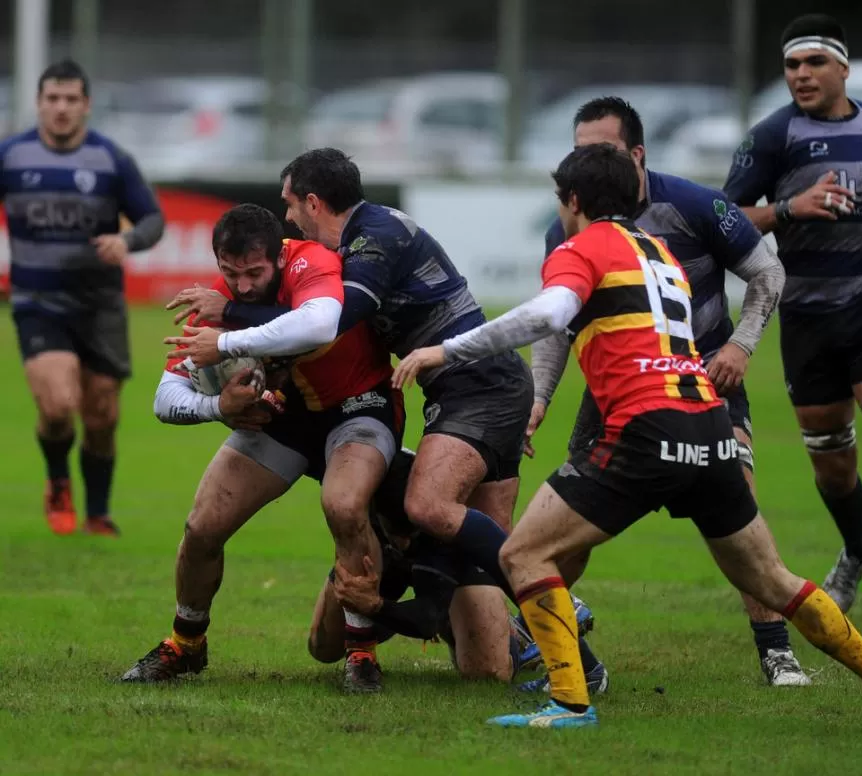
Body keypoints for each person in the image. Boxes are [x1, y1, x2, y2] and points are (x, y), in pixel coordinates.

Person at [393, 143, 862, 734]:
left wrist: (445, 349)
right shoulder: (661, 252)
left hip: (642, 431)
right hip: (709, 422)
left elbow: (549, 316)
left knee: (522, 553)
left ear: (572, 201)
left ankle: (571, 703)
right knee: (776, 580)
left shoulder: (581, 246)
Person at [525, 96, 808, 686]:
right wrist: (540, 397)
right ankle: (546, 640)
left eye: (600, 151)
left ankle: (776, 648)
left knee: (739, 500)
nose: (587, 163)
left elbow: (768, 272)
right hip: (615, 391)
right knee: (565, 522)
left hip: (704, 378)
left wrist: (741, 347)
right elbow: (557, 321)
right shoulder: (567, 225)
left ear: (636, 154)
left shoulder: (695, 204)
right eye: (579, 152)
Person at [722, 14, 862, 650]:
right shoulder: (772, 137)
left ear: (843, 68)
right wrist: (790, 207)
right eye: (792, 66)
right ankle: (859, 547)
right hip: (810, 321)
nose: (801, 75)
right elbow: (726, 216)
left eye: (814, 63)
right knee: (833, 471)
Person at [121, 205, 404, 693]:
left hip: (357, 405)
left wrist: (230, 332)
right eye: (232, 274)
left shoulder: (309, 262)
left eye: (254, 272)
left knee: (344, 505)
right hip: (285, 419)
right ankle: (186, 643)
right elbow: (164, 398)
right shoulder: (217, 297)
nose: (244, 284)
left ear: (278, 256)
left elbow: (316, 324)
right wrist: (219, 406)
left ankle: (361, 654)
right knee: (203, 524)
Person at [275, 148, 533, 677]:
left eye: (290, 204)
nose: (287, 218)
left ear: (314, 202)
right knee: (486, 660)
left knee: (429, 505)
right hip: (473, 393)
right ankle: (525, 631)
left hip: (479, 385)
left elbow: (331, 322)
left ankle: (548, 599)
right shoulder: (347, 248)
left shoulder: (376, 237)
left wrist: (233, 328)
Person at [0, 59, 164, 536]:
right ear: (39, 103)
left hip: (100, 306)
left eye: (71, 99)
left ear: (86, 105)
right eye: (52, 98)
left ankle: (96, 513)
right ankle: (57, 481)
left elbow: (152, 220)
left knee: (102, 415)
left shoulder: (111, 160)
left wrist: (126, 242)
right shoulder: (12, 156)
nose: (61, 108)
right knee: (56, 406)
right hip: (37, 301)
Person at [313, 447, 608, 693]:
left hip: (451, 566)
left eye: (409, 532)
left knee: (488, 671)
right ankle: (456, 620)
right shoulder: (363, 506)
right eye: (394, 531)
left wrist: (376, 606)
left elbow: (427, 618)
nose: (402, 540)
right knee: (323, 647)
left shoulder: (434, 520)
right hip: (395, 561)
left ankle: (518, 632)